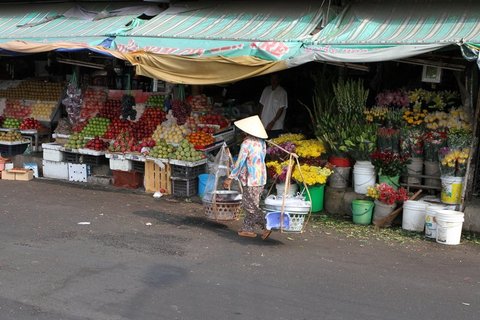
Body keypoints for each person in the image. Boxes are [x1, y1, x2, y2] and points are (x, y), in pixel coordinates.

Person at [223, 115, 271, 240]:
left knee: (250, 206)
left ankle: (267, 225)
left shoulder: (247, 143)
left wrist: (230, 177)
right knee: (250, 203)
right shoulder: (262, 142)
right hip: (261, 177)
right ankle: (247, 228)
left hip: (252, 178)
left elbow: (240, 162)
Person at [259, 73, 288, 138]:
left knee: (274, 146)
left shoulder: (282, 92)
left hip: (276, 126)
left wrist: (273, 122)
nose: (273, 81)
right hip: (263, 123)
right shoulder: (266, 89)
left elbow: (281, 109)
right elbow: (261, 104)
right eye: (272, 79)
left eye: (275, 79)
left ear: (279, 80)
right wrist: (259, 118)